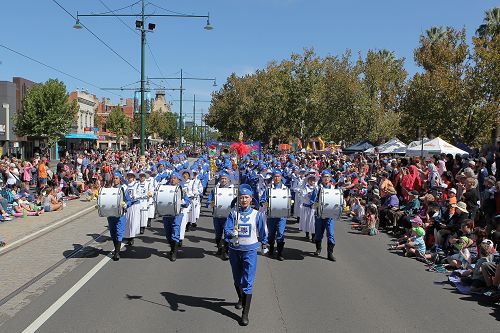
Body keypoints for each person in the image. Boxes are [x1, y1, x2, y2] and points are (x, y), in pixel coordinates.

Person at [224, 184, 268, 326]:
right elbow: (227, 229)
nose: (243, 200)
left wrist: (264, 244)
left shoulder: (257, 215)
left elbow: (262, 232)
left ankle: (245, 314)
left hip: (250, 251)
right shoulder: (232, 213)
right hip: (235, 250)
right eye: (241, 197)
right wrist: (231, 233)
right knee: (237, 279)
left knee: (247, 281)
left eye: (246, 197)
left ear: (251, 199)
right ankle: (241, 298)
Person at [162, 172, 190, 261]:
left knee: (175, 230)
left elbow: (186, 201)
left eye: (175, 178)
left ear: (178, 180)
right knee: (168, 233)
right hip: (167, 213)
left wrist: (182, 202)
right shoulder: (165, 188)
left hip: (178, 214)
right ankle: (172, 248)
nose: (173, 179)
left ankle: (174, 252)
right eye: (172, 178)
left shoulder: (181, 189)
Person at [310, 170, 337, 261]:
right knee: (318, 234)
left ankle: (330, 253)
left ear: (330, 178)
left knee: (331, 234)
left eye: (328, 177)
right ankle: (318, 248)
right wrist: (318, 206)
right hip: (319, 215)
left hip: (330, 216)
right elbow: (312, 202)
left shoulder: (333, 188)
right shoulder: (317, 188)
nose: (326, 178)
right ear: (321, 178)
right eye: (324, 176)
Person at [206, 170, 234, 260]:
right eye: (222, 179)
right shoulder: (215, 190)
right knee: (218, 234)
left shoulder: (232, 190)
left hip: (228, 216)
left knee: (227, 233)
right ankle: (219, 247)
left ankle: (226, 251)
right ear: (219, 180)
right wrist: (211, 204)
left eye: (225, 179)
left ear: (228, 180)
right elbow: (209, 202)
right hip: (217, 215)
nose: (223, 180)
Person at [266, 170, 288, 261]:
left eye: (278, 176)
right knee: (271, 234)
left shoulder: (285, 189)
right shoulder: (269, 188)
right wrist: (267, 204)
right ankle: (271, 248)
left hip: (281, 216)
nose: (276, 178)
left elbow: (289, 200)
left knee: (280, 233)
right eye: (275, 176)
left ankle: (279, 252)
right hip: (271, 216)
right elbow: (263, 200)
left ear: (281, 177)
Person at [106, 172, 128, 261]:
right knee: (113, 233)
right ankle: (116, 248)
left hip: (120, 215)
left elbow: (128, 200)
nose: (115, 180)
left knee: (119, 232)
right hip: (111, 215)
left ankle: (117, 253)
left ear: (120, 179)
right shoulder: (109, 189)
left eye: (117, 178)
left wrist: (125, 204)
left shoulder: (123, 189)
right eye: (114, 178)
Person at [123, 171, 141, 246]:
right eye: (128, 176)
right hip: (127, 205)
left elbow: (139, 194)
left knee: (133, 221)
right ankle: (127, 236)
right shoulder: (124, 185)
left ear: (133, 177)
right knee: (127, 221)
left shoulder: (137, 184)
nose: (130, 177)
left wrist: (134, 197)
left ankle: (132, 237)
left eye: (131, 176)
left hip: (134, 205)